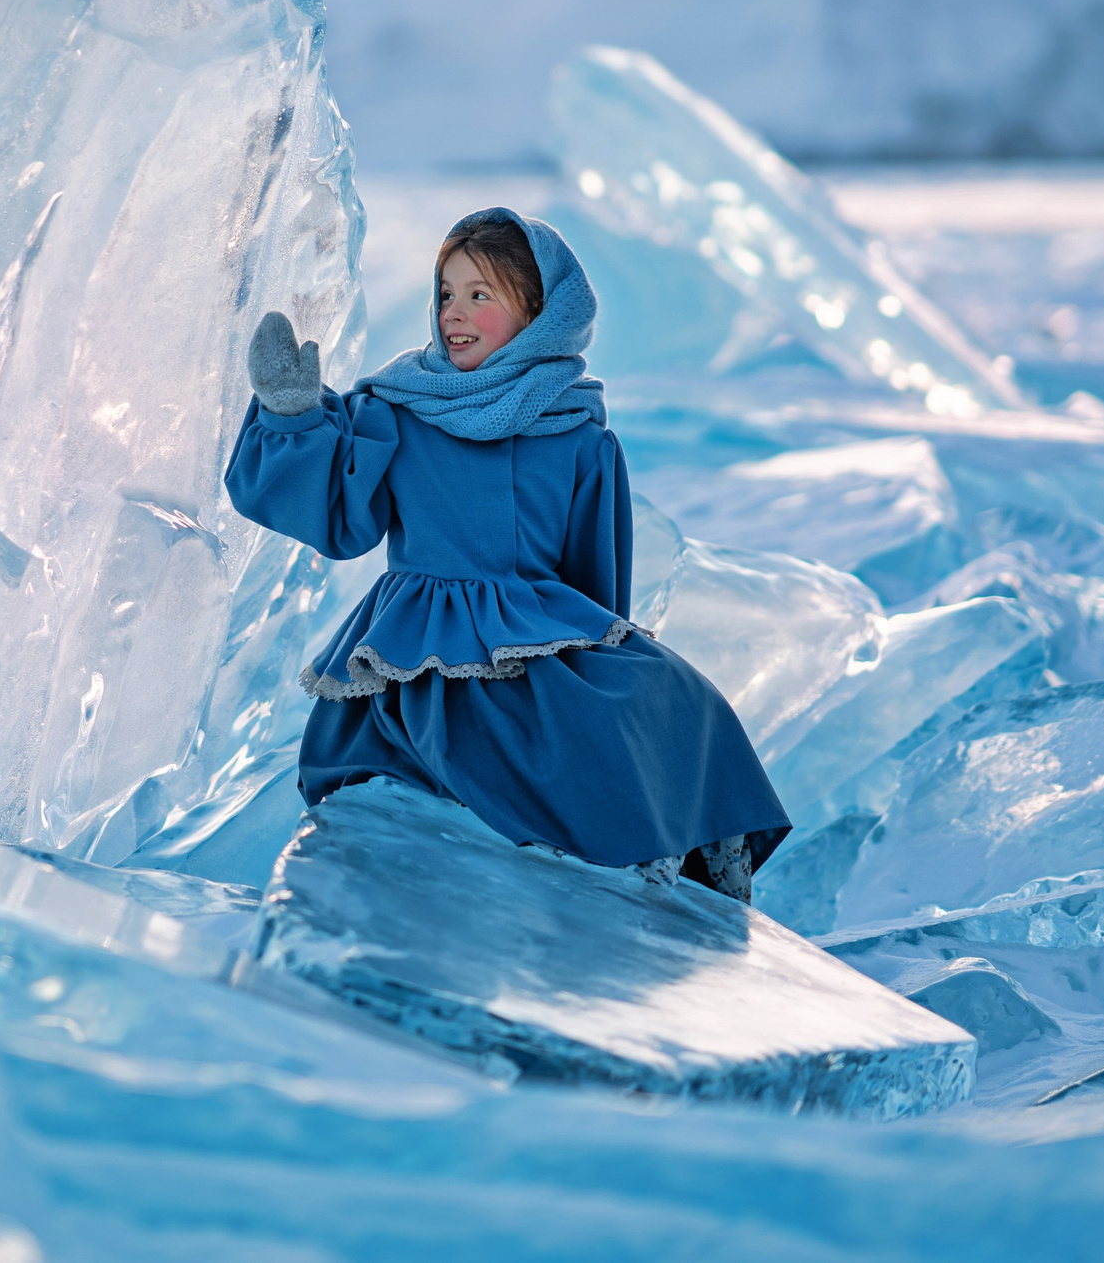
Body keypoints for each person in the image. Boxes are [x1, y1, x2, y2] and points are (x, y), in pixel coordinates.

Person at [223, 207, 789, 901]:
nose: (454, 313)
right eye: (446, 294)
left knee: (682, 702)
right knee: (473, 746)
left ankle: (683, 875)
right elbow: (343, 523)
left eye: (480, 295)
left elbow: (595, 584)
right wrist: (294, 420)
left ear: (539, 313)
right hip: (419, 658)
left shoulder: (578, 432)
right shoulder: (397, 409)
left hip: (538, 642)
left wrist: (599, 677)